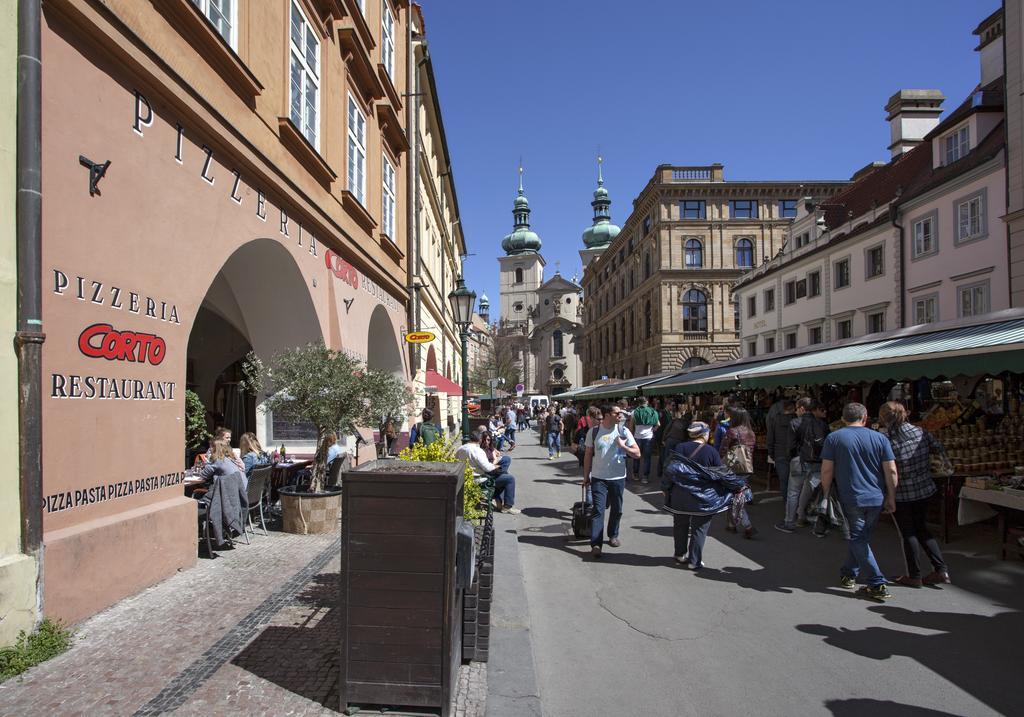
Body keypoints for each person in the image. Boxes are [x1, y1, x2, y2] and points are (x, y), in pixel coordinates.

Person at [820, 402, 899, 602]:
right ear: (865, 418)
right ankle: (848, 573)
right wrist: (891, 495)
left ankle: (876, 582)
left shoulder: (834, 438)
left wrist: (825, 492)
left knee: (858, 538)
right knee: (861, 537)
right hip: (876, 497)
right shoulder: (880, 438)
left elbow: (827, 470)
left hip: (851, 496)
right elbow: (891, 471)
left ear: (843, 419)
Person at [879, 401, 952, 587]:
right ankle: (941, 569)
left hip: (901, 492)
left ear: (883, 418)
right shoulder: (921, 432)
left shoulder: (885, 438)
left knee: (908, 533)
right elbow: (939, 449)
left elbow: (887, 468)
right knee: (922, 529)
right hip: (924, 488)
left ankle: (915, 575)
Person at [662, 421, 746, 569]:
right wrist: (738, 486)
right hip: (703, 497)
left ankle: (680, 555)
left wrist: (665, 488)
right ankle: (694, 561)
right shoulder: (710, 451)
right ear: (705, 434)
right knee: (699, 529)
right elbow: (722, 474)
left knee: (680, 525)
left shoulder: (680, 448)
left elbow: (670, 470)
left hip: (680, 495)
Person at [583, 404, 641, 558]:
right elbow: (588, 454)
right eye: (617, 413)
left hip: (618, 478)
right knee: (598, 510)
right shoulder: (593, 432)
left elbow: (637, 453)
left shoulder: (623, 431)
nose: (620, 415)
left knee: (617, 509)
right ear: (607, 415)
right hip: (598, 478)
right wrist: (585, 477)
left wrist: (624, 447)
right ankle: (596, 544)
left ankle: (613, 535)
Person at [456, 426, 519, 514]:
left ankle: (498, 499)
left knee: (504, 474)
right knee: (510, 479)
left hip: (466, 478)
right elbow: (487, 468)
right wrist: (496, 466)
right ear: (480, 439)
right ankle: (507, 506)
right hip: (479, 480)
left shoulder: (460, 449)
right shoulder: (477, 450)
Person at [718, 406, 757, 538]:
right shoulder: (751, 433)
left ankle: (747, 525)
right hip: (746, 467)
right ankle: (731, 524)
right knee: (735, 494)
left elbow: (723, 450)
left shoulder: (732, 432)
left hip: (732, 467)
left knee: (734, 496)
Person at [766, 399, 797, 506]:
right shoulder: (797, 421)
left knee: (784, 481)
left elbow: (770, 438)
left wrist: (771, 453)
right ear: (793, 409)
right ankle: (794, 506)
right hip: (795, 454)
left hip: (779, 453)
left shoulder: (774, 420)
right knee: (796, 482)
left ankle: (787, 504)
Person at [628, 397, 661, 484]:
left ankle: (635, 474)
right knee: (647, 458)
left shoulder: (634, 412)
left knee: (636, 456)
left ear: (638, 403)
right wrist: (653, 430)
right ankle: (645, 477)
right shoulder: (653, 411)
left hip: (637, 437)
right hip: (649, 437)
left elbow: (631, 426)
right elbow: (658, 424)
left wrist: (630, 437)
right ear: (646, 402)